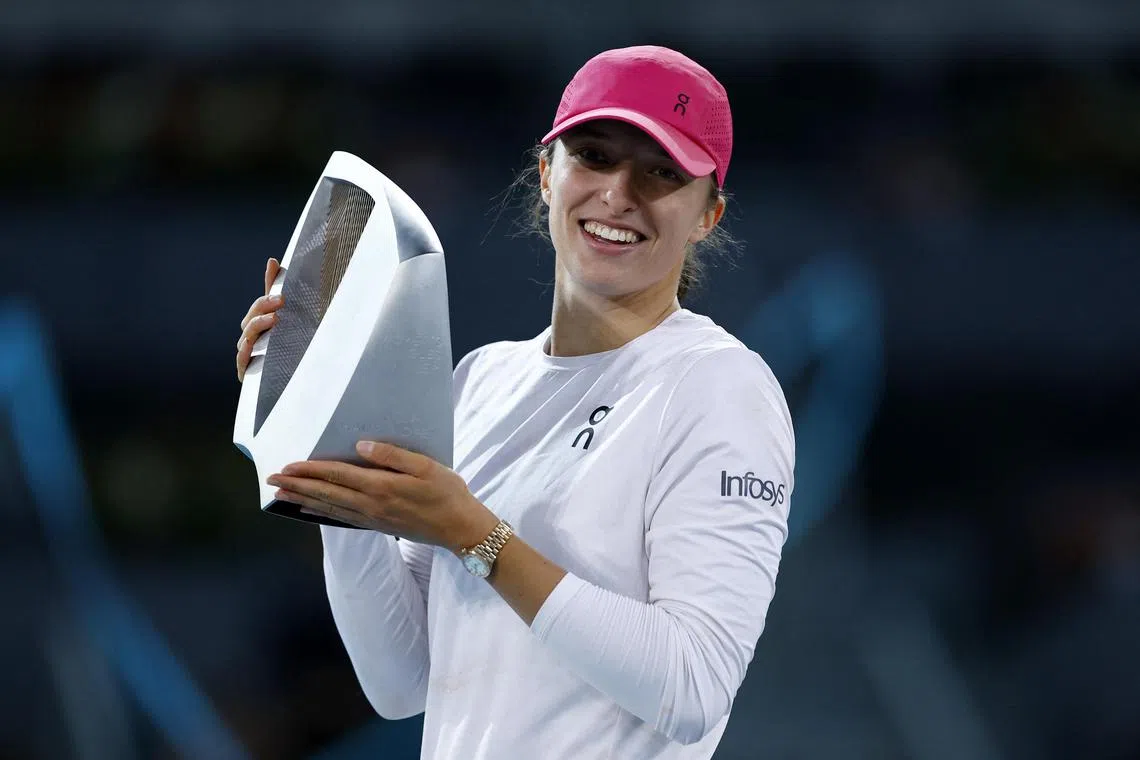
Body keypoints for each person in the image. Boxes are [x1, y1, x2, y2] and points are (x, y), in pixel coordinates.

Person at [235, 45, 795, 759]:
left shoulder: (718, 388)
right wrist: (328, 457)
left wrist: (475, 534)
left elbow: (691, 688)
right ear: (544, 174)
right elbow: (401, 683)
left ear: (707, 215)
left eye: (660, 173)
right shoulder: (480, 381)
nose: (619, 194)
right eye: (593, 156)